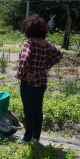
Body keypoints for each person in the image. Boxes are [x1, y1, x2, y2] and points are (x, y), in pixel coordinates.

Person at [15, 14, 63, 144]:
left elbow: (24, 60)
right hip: (42, 82)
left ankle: (27, 138)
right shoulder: (47, 44)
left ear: (28, 28)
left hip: (29, 83)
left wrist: (23, 75)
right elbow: (59, 54)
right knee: (38, 110)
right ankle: (36, 137)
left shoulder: (29, 43)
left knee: (29, 111)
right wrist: (45, 66)